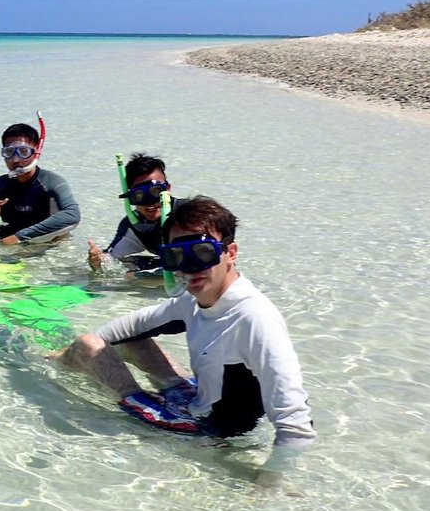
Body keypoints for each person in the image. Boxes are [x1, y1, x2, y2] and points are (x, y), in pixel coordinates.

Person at [58, 196, 315, 482]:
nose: (190, 267)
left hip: (208, 431)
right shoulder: (195, 299)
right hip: (197, 400)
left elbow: (297, 428)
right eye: (175, 256)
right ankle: (63, 359)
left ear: (230, 253)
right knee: (128, 340)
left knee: (87, 345)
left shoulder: (255, 320)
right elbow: (134, 325)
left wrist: (269, 483)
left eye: (202, 251)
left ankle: (50, 366)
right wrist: (78, 353)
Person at [88, 152, 183, 273]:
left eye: (156, 191)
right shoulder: (134, 226)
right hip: (167, 265)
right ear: (129, 198)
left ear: (168, 189)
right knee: (126, 266)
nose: (150, 202)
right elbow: (109, 262)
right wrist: (97, 262)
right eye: (139, 195)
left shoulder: (189, 215)